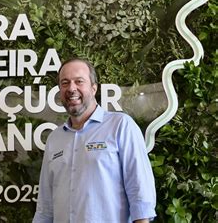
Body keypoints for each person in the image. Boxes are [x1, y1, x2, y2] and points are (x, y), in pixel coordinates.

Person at [33, 58, 156, 223]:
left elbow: (140, 193)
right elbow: (45, 208)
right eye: (65, 83)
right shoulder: (54, 139)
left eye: (79, 81)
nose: (71, 88)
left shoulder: (120, 125)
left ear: (93, 88)